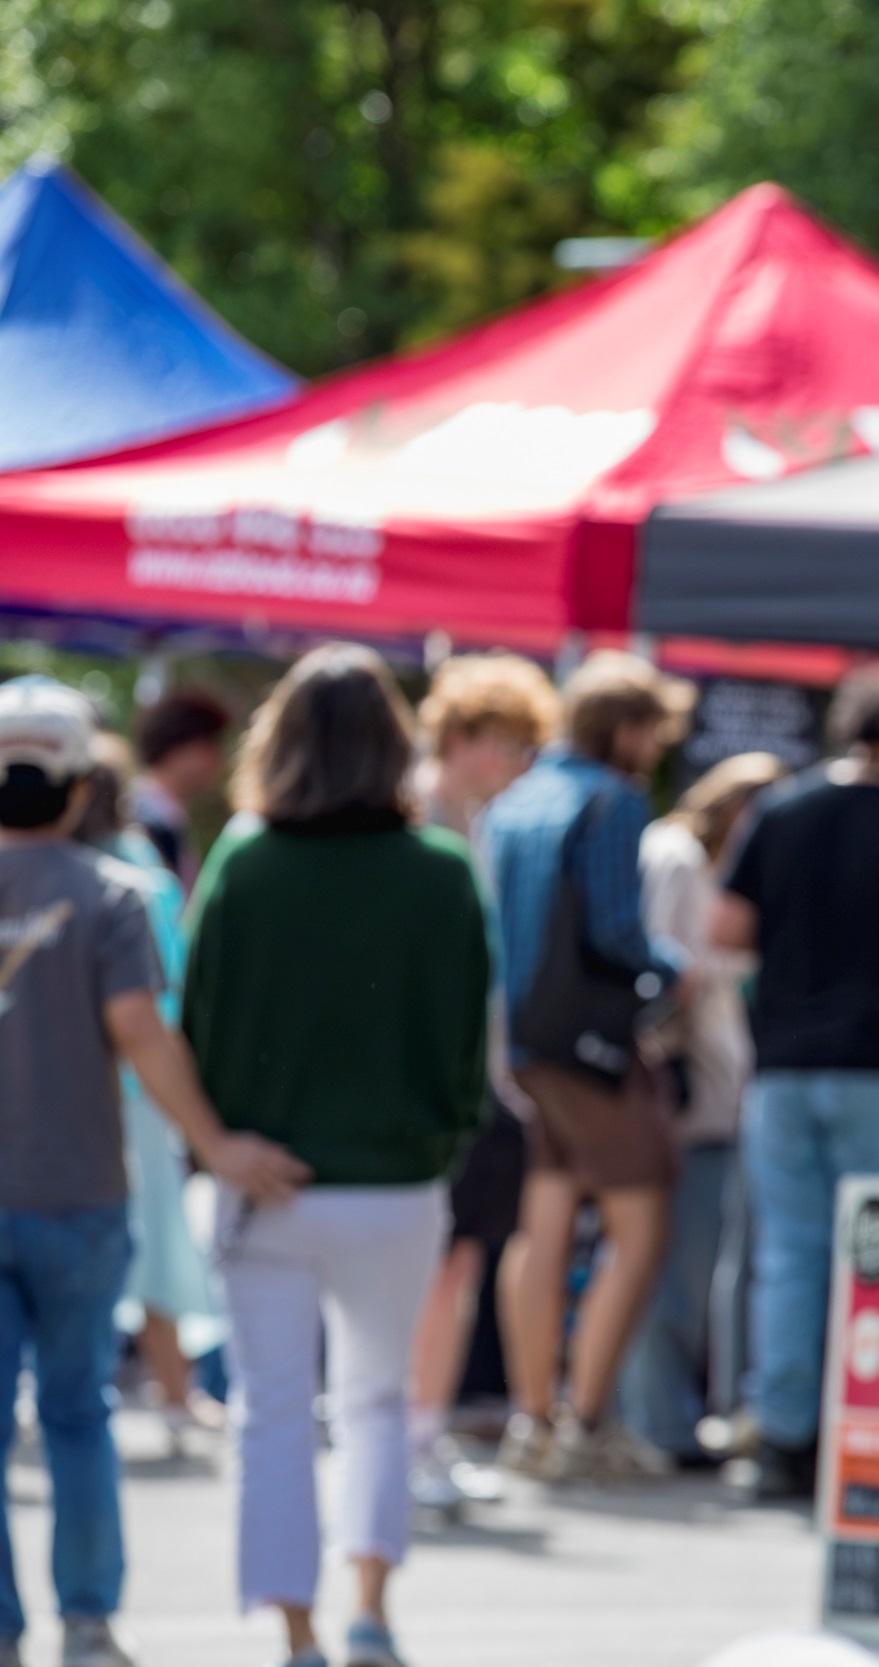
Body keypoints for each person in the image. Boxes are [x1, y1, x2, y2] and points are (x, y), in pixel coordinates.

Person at [183, 646, 493, 1667]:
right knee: (374, 1401)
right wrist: (436, 1141)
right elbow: (466, 1040)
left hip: (265, 1176)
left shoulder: (244, 856)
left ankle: (298, 1629)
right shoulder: (442, 869)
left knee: (271, 1411)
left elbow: (202, 1020)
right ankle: (370, 1610)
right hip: (396, 1180)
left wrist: (223, 1142)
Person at [0, 678, 303, 1667]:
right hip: (82, 1189)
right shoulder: (112, 895)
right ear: (84, 784)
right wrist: (214, 1144)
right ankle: (87, 1621)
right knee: (80, 1409)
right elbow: (142, 1033)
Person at [712, 678, 879, 1499]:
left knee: (790, 1255)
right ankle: (865, 1426)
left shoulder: (781, 810)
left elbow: (724, 931)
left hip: (785, 1067)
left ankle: (783, 1436)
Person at [478, 651, 692, 1484]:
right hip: (590, 1045)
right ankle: (586, 1419)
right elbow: (616, 932)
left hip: (522, 1042)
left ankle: (533, 1419)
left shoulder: (515, 797)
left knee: (545, 1221)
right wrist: (675, 968)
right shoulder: (612, 797)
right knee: (642, 1225)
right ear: (629, 726)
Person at [404, 654, 561, 1512]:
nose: (517, 764)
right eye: (505, 744)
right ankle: (411, 1444)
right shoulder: (426, 822)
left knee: (450, 1267)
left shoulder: (471, 823)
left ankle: (417, 1439)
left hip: (467, 1084)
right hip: (436, 1091)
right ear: (462, 737)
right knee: (437, 1270)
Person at [618, 750, 785, 1466]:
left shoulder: (702, 862)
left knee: (687, 1264)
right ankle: (655, 1419)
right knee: (670, 1268)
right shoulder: (678, 854)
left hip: (713, 1097)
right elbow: (661, 972)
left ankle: (667, 1414)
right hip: (682, 1096)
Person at [74, 734, 225, 1446]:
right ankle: (173, 1395)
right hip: (139, 1092)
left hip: (51, 1101)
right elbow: (165, 1003)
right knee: (157, 1240)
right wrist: (207, 1129)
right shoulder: (139, 877)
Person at [130, 687, 231, 891]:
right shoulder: (144, 820)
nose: (218, 757)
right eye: (210, 744)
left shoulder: (165, 815)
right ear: (178, 747)